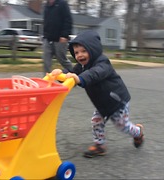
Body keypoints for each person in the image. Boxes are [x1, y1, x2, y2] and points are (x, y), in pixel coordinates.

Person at [51, 30, 144, 158]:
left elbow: (95, 74)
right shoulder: (81, 66)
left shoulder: (102, 62)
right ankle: (100, 145)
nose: (79, 55)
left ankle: (138, 132)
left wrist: (80, 79)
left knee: (122, 125)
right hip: (101, 102)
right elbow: (71, 72)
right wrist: (60, 74)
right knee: (96, 121)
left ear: (93, 49)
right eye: (76, 52)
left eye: (84, 51)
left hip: (117, 101)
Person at [42, 0, 73, 74]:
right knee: (46, 60)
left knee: (62, 59)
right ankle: (46, 81)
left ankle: (73, 73)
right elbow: (46, 21)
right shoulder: (46, 6)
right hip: (48, 38)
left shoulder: (62, 4)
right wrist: (45, 35)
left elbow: (68, 20)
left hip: (60, 38)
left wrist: (65, 35)